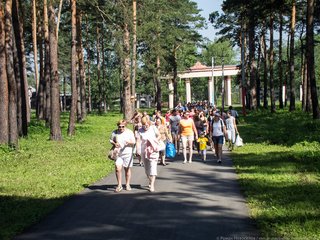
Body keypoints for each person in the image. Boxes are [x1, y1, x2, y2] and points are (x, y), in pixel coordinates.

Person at [110, 120, 136, 192]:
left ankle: (127, 184)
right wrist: (114, 144)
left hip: (128, 153)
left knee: (127, 169)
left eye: (122, 126)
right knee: (118, 168)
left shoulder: (129, 132)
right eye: (119, 127)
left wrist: (129, 142)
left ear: (125, 126)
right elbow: (111, 140)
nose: (121, 128)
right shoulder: (115, 132)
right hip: (118, 153)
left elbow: (134, 142)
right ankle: (119, 185)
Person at [139, 117, 161, 192]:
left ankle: (152, 185)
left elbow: (159, 135)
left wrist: (155, 141)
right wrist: (137, 150)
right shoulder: (140, 130)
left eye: (147, 124)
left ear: (149, 124)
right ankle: (150, 180)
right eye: (144, 125)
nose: (146, 126)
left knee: (153, 167)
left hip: (153, 151)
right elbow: (138, 141)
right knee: (147, 170)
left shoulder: (153, 128)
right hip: (144, 151)